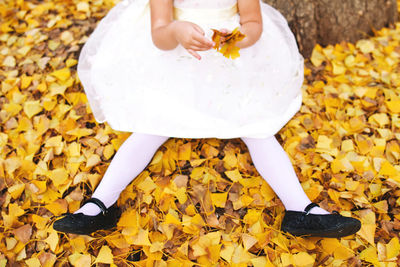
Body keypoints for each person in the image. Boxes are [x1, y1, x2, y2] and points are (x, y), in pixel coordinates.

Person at [53, 0, 361, 237]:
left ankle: (301, 209)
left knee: (256, 128)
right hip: (178, 62)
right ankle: (100, 204)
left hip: (230, 63)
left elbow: (253, 21)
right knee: (151, 127)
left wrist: (239, 38)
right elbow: (160, 34)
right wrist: (176, 30)